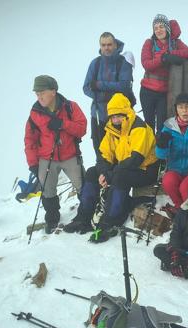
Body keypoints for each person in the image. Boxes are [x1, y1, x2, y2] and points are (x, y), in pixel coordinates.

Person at [63, 93, 159, 243]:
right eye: (113, 117)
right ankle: (83, 216)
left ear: (127, 113)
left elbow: (135, 159)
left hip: (145, 170)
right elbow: (103, 155)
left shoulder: (139, 128)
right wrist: (103, 172)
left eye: (119, 116)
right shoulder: (112, 130)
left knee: (120, 177)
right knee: (91, 172)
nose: (115, 120)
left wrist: (110, 175)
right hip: (123, 168)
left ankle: (110, 222)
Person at [25, 75, 87, 233]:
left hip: (70, 155)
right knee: (48, 190)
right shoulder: (35, 113)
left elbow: (82, 128)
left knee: (82, 186)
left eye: (42, 92)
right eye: (37, 93)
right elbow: (30, 140)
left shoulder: (70, 107)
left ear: (53, 91)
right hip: (46, 158)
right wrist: (33, 163)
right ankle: (52, 218)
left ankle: (87, 212)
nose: (39, 97)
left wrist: (63, 124)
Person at [83, 32, 135, 160]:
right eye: (103, 45)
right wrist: (104, 95)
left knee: (122, 153)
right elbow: (86, 88)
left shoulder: (124, 62)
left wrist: (100, 85)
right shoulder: (94, 64)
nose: (106, 48)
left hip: (121, 116)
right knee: (100, 153)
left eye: (109, 44)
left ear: (115, 45)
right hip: (98, 114)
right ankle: (102, 178)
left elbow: (124, 86)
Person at [156, 93, 188, 208]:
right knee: (168, 181)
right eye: (180, 107)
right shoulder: (169, 127)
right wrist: (161, 145)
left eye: (187, 106)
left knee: (185, 187)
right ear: (176, 109)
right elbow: (160, 155)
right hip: (175, 169)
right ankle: (181, 209)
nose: (184, 111)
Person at [140, 14, 188, 133]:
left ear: (167, 28)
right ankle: (150, 151)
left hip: (164, 93)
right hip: (147, 91)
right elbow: (146, 64)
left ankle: (160, 150)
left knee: (163, 125)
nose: (158, 30)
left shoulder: (175, 43)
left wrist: (171, 54)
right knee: (148, 126)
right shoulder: (149, 43)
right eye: (156, 28)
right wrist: (163, 58)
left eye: (161, 27)